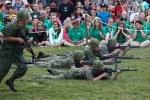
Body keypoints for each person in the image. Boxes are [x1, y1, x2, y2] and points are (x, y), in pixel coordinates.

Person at [0, 9, 29, 92]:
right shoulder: (10, 26)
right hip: (7, 52)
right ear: (22, 19)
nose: (28, 19)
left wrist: (27, 46)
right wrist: (17, 39)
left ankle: (10, 81)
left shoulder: (25, 28)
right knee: (2, 72)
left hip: (17, 52)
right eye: (27, 18)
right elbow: (5, 38)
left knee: (23, 67)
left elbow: (24, 39)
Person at [33, 60, 121, 81]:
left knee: (62, 73)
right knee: (57, 78)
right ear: (97, 68)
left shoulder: (98, 72)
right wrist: (101, 76)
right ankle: (41, 77)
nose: (103, 69)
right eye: (101, 67)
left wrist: (117, 74)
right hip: (73, 73)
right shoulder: (89, 71)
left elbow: (111, 79)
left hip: (77, 71)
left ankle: (53, 70)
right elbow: (92, 80)